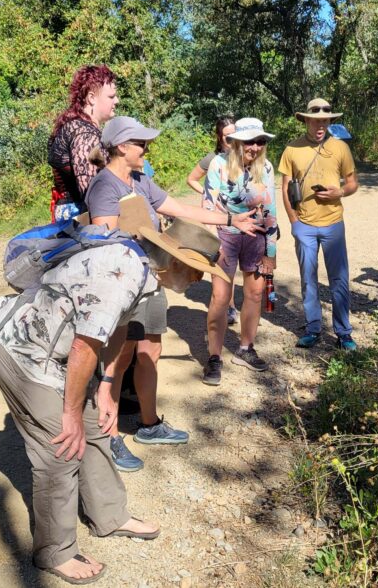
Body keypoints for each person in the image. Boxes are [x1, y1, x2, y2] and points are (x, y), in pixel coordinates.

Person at [0, 200, 225, 584]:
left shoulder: (146, 274)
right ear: (176, 260)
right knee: (62, 445)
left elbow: (113, 332)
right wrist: (69, 413)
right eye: (198, 270)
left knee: (95, 427)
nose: (200, 280)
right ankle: (55, 551)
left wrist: (108, 390)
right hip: (22, 352)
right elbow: (84, 346)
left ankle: (110, 516)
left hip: (58, 353)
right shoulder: (124, 274)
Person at [84, 116, 259, 471]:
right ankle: (110, 436)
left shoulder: (139, 180)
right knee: (119, 358)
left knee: (151, 349)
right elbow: (102, 238)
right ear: (121, 147)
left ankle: (149, 425)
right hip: (121, 285)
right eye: (141, 144)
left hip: (149, 280)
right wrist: (146, 237)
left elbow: (178, 209)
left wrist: (230, 220)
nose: (146, 149)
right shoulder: (105, 186)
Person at [201, 117, 279, 386]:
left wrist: (271, 250)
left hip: (255, 237)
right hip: (226, 236)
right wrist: (214, 244)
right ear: (236, 142)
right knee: (221, 297)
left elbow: (270, 211)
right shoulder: (219, 165)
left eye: (260, 141)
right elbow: (207, 208)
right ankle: (214, 357)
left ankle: (246, 348)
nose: (255, 147)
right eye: (250, 141)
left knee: (255, 293)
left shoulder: (266, 168)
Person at [278, 98, 359, 351]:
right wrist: (294, 222)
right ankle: (313, 329)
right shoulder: (292, 149)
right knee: (308, 280)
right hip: (304, 225)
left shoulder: (340, 148)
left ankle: (343, 333)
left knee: (339, 280)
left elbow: (353, 182)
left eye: (325, 121)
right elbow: (284, 188)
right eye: (316, 121)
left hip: (333, 224)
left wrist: (340, 193)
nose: (320, 125)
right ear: (306, 121)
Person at [186, 115, 241, 325]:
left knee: (232, 264)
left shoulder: (243, 157)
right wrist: (208, 194)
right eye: (228, 138)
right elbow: (191, 179)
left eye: (236, 136)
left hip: (237, 219)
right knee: (221, 262)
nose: (232, 142)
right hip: (216, 218)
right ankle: (226, 306)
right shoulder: (212, 159)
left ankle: (230, 304)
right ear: (219, 139)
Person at [47, 65, 117, 222]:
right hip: (83, 219)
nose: (116, 101)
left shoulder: (75, 125)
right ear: (92, 98)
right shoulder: (84, 134)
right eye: (111, 97)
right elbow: (93, 193)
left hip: (70, 213)